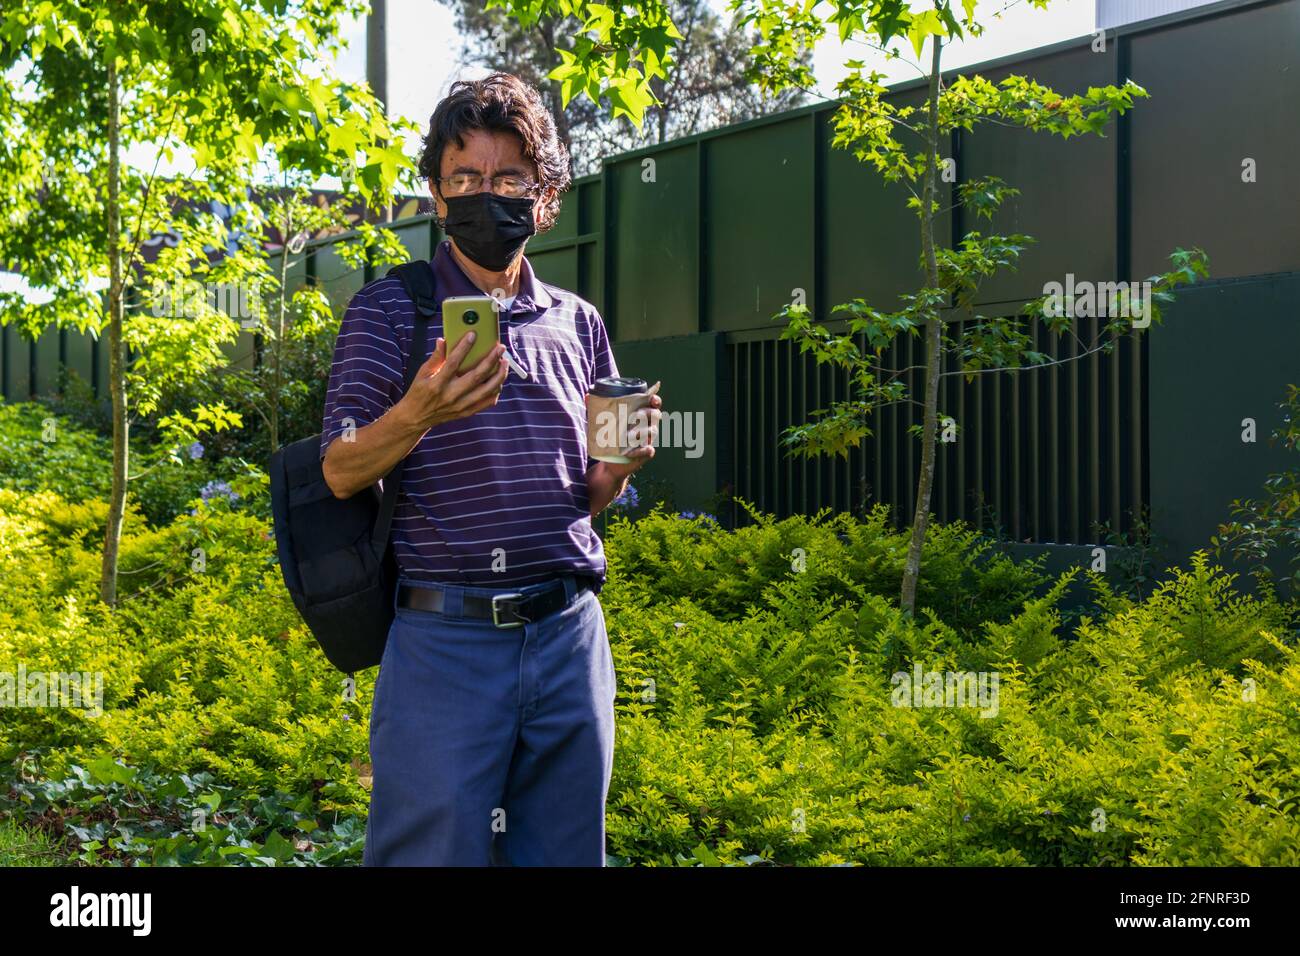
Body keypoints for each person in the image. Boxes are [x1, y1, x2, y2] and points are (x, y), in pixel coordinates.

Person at [319, 72, 663, 866]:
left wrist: (616, 469)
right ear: (437, 197)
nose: (484, 195)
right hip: (445, 642)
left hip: (569, 636)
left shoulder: (578, 323)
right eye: (464, 179)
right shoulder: (390, 310)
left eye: (507, 178)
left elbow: (588, 493)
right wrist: (419, 412)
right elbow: (339, 469)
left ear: (544, 199)